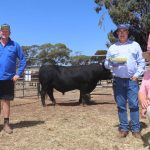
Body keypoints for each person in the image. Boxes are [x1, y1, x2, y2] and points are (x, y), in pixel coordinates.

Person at [104, 24, 145, 138]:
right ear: (117, 33)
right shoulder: (112, 47)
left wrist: (137, 75)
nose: (122, 33)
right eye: (119, 31)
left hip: (132, 80)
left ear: (128, 33)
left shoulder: (135, 45)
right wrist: (111, 63)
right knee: (121, 106)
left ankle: (136, 130)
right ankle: (123, 129)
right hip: (118, 81)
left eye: (124, 31)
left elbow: (141, 62)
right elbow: (106, 64)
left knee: (134, 105)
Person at [0, 24, 26, 134]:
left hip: (8, 79)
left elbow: (23, 60)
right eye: (2, 31)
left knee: (6, 101)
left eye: (6, 31)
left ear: (10, 33)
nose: (4, 32)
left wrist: (18, 74)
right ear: (0, 32)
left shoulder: (15, 46)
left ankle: (6, 124)